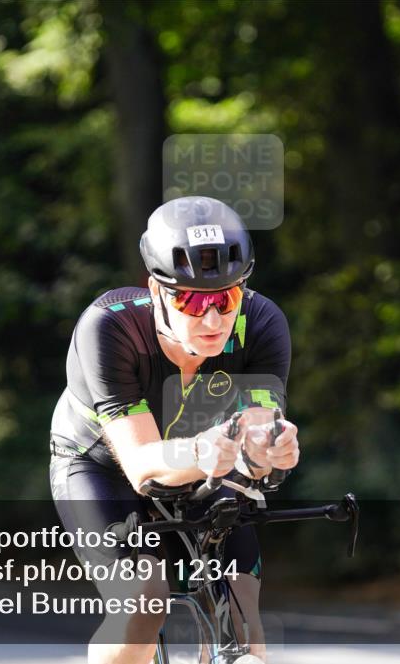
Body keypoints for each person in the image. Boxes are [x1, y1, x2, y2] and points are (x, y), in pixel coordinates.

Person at [49, 196, 300, 663]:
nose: (211, 319)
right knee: (144, 601)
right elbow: (142, 465)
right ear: (156, 290)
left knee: (243, 615)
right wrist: (203, 452)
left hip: (208, 463)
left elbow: (258, 435)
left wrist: (274, 450)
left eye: (225, 298)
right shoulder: (109, 329)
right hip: (102, 465)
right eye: (190, 299)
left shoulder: (263, 324)